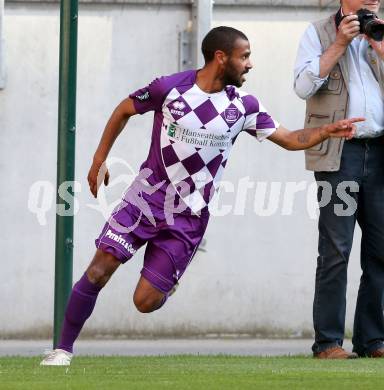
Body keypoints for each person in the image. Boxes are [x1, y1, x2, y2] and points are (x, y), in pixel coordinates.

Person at [41, 26, 361, 366]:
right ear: (221, 58)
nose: (250, 65)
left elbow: (289, 138)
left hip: (189, 216)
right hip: (145, 200)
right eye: (245, 57)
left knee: (145, 302)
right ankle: (62, 350)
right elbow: (123, 110)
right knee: (98, 270)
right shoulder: (169, 89)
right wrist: (98, 160)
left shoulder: (244, 106)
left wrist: (325, 131)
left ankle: (166, 284)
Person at [294, 0, 384, 359]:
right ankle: (328, 342)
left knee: (380, 251)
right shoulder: (317, 33)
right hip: (338, 155)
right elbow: (302, 86)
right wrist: (339, 45)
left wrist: (379, 48)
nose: (374, 0)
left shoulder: (381, 33)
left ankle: (372, 340)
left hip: (380, 154)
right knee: (336, 249)